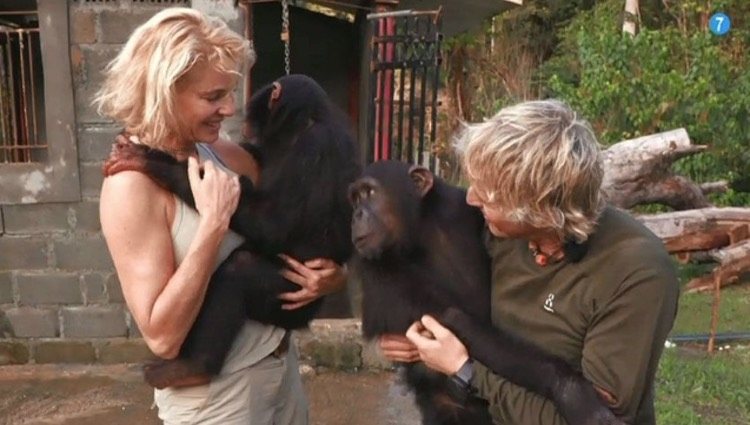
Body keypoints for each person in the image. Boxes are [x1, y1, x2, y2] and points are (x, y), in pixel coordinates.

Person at [96, 8, 345, 424]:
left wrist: (335, 277)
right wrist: (212, 225)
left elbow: (299, 225)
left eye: (230, 93)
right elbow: (162, 337)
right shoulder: (130, 187)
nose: (229, 109)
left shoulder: (224, 154)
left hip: (280, 370)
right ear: (163, 91)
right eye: (213, 97)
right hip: (218, 399)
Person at [381, 100, 679, 424]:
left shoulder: (635, 271)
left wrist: (464, 371)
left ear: (538, 208)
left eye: (488, 193)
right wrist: (403, 326)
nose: (471, 198)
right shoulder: (498, 231)